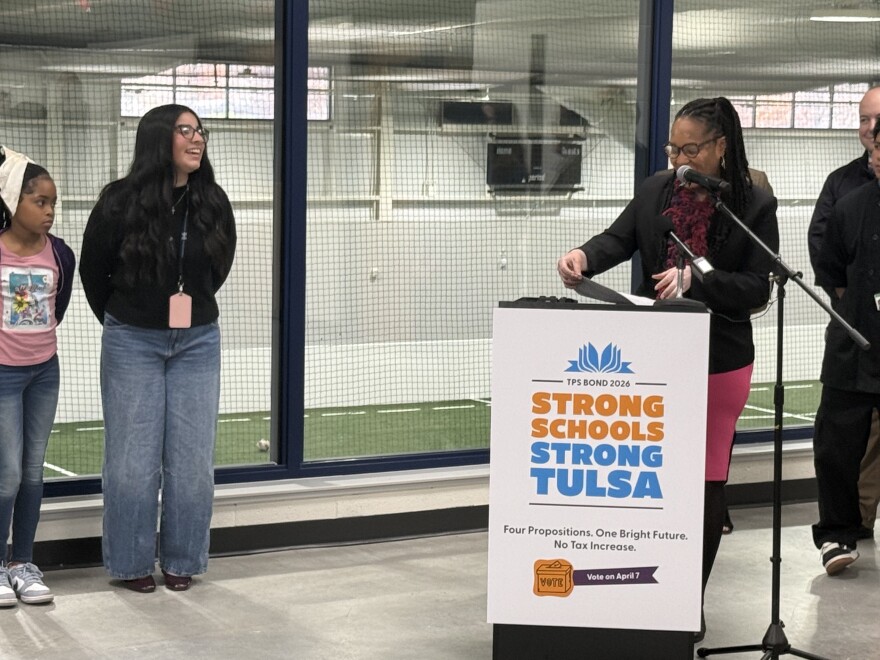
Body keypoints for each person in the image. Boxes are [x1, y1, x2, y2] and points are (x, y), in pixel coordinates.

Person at [557, 97, 779, 638]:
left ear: (721, 147)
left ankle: (687, 600)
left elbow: (757, 288)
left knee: (703, 483)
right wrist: (584, 255)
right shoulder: (656, 189)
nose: (679, 158)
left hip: (718, 362)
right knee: (648, 480)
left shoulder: (752, 202)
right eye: (673, 148)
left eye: (691, 148)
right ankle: (638, 589)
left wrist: (694, 282)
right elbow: (620, 238)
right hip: (651, 359)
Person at [79, 104, 236, 593]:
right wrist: (131, 317)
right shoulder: (118, 202)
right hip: (132, 341)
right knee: (131, 461)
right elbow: (92, 273)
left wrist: (187, 310)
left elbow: (220, 267)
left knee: (192, 462)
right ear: (157, 139)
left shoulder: (212, 201)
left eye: (200, 131)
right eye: (184, 130)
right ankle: (128, 564)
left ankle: (182, 559)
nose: (197, 139)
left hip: (198, 343)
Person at [0, 147, 75, 606]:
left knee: (31, 473)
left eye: (53, 203)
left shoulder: (60, 254)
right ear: (13, 202)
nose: (48, 212)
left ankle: (22, 563)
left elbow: (56, 309)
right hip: (4, 377)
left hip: (44, 373)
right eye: (39, 201)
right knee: (6, 474)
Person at [808, 85, 880, 541]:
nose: (872, 133)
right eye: (866, 121)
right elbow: (827, 257)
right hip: (855, 339)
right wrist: (855, 302)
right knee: (839, 442)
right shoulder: (846, 191)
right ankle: (840, 531)